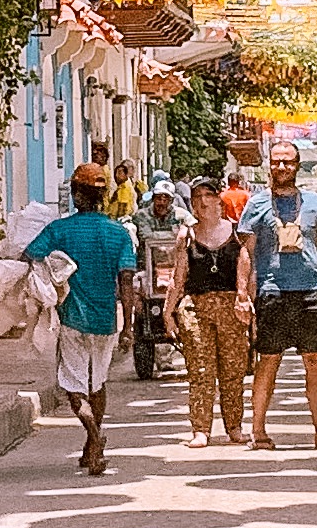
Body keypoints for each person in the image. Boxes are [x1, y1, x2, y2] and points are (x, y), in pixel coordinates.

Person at [17, 159, 140, 472]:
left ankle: (93, 434)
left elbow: (28, 255)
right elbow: (126, 281)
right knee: (97, 382)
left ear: (74, 195)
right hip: (106, 321)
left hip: (72, 318)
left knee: (73, 385)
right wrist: (128, 326)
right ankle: (91, 447)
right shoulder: (119, 234)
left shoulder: (59, 230)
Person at [247, 140, 317, 449]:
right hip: (273, 291)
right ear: (269, 165)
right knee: (268, 361)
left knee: (316, 361)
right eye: (276, 162)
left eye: (287, 162)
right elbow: (245, 253)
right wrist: (241, 293)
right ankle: (258, 431)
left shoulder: (313, 201)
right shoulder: (256, 204)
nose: (281, 167)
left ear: (297, 165)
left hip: (312, 289)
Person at [174, 178, 254, 443]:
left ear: (219, 200)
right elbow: (179, 277)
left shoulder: (236, 232)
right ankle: (201, 429)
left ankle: (234, 426)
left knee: (233, 370)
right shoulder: (186, 235)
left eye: (208, 195)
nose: (202, 201)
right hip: (197, 307)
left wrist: (246, 300)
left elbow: (246, 268)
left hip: (230, 307)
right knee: (200, 371)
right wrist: (168, 311)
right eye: (196, 197)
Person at [133, 179, 188, 382]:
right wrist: (175, 236)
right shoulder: (142, 215)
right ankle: (140, 335)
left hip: (175, 268)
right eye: (158, 197)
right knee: (138, 296)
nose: (161, 202)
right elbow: (147, 238)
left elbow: (192, 230)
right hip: (148, 268)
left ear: (172, 200)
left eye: (166, 198)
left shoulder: (181, 215)